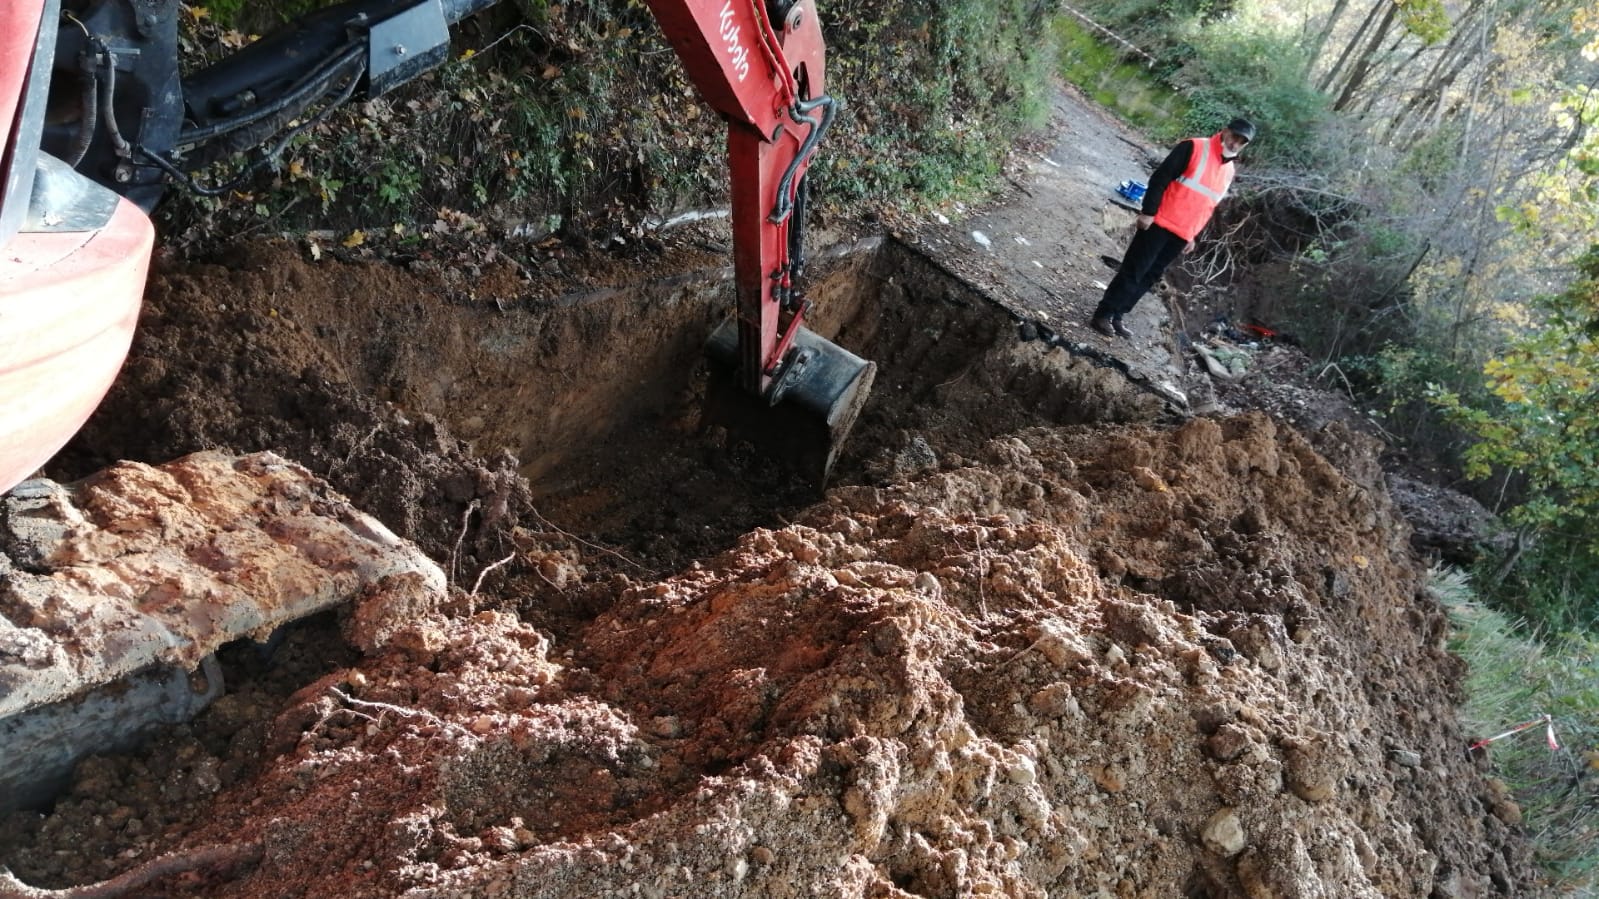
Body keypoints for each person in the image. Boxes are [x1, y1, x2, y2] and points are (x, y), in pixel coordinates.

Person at [1090, 117, 1256, 338]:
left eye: (1242, 141)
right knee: (1134, 270)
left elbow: (1207, 205)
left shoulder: (1228, 172)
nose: (1236, 143)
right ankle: (1104, 314)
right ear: (1225, 131)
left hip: (1181, 233)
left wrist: (1192, 235)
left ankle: (1118, 315)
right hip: (1158, 222)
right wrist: (1148, 212)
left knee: (1149, 277)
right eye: (1235, 136)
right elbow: (1161, 178)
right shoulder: (1195, 147)